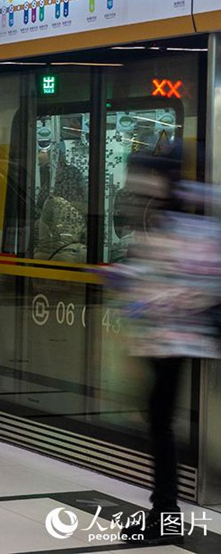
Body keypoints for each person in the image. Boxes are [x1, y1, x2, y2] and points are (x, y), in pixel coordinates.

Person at [108, 154, 221, 543]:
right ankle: (163, 512)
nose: (136, 186)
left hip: (174, 341)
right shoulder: (170, 219)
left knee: (160, 425)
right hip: (163, 341)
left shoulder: (186, 225)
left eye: (142, 177)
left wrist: (144, 298)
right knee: (158, 424)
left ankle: (166, 516)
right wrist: (129, 278)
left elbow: (199, 286)